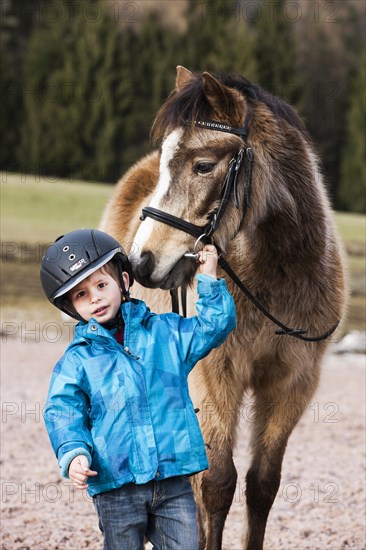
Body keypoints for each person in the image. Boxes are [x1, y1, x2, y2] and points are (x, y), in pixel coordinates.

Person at [41, 228, 236, 550]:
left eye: (102, 285)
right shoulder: (77, 362)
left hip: (173, 479)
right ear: (70, 308)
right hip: (116, 484)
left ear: (125, 282)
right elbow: (62, 410)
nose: (96, 298)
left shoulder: (166, 334)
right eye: (82, 295)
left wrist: (210, 279)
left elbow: (213, 326)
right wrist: (73, 452)